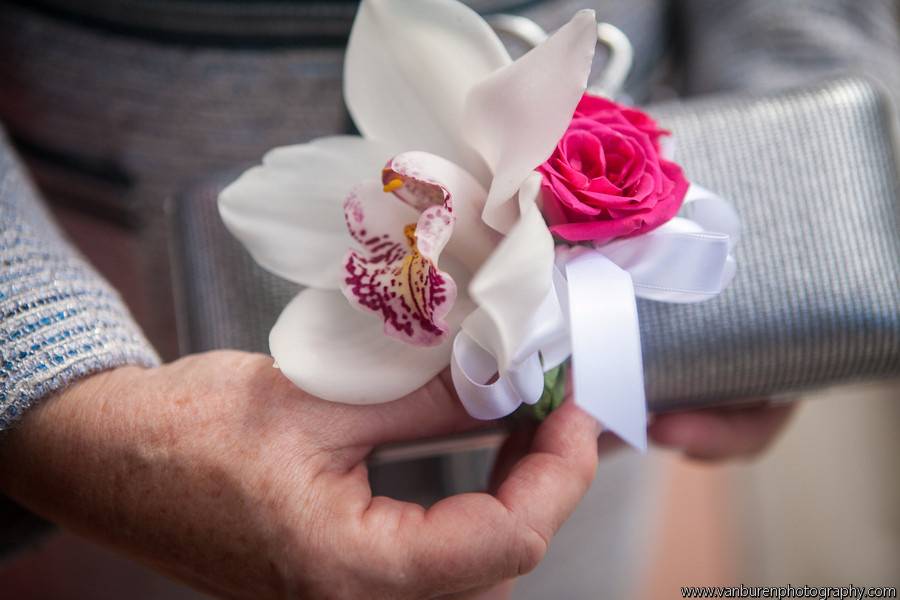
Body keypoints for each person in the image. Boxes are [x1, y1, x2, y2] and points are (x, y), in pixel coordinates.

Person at [16, 0, 898, 596]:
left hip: (601, 441)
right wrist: (41, 379)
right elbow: (284, 252)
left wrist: (810, 178)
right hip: (136, 402)